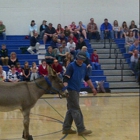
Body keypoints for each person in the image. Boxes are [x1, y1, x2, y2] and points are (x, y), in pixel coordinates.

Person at [62, 51, 97, 135]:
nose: (79, 60)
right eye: (78, 59)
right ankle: (81, 129)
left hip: (77, 90)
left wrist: (92, 87)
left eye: (81, 59)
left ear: (84, 60)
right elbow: (65, 79)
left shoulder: (84, 66)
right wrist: (64, 89)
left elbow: (86, 78)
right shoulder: (71, 66)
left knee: (71, 110)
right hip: (71, 90)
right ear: (76, 58)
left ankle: (66, 128)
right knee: (76, 109)